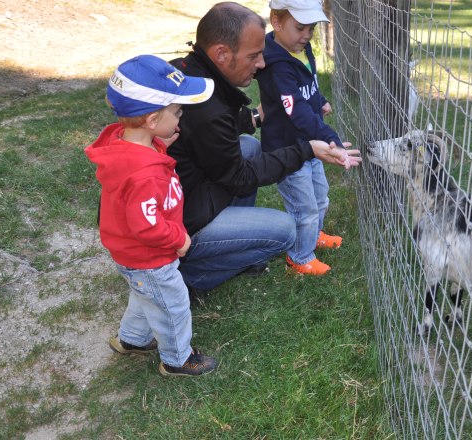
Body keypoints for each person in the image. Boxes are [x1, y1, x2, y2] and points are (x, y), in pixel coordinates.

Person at [168, 3, 361, 299]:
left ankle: (236, 241)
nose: (261, 65)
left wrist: (254, 118)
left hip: (188, 187)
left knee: (248, 145)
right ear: (221, 54)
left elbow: (220, 127)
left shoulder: (196, 74)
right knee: (284, 230)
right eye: (253, 56)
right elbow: (240, 176)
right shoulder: (207, 107)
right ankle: (187, 276)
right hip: (179, 219)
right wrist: (306, 149)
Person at [85, 55, 217, 377]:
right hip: (150, 255)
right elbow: (147, 225)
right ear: (152, 120)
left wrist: (158, 144)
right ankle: (177, 359)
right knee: (172, 305)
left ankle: (131, 340)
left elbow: (138, 162)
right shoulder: (145, 174)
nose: (181, 118)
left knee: (147, 296)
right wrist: (180, 239)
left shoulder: (129, 146)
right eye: (177, 112)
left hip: (134, 257)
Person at [257, 0, 344, 276]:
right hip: (288, 150)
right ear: (277, 21)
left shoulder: (300, 48)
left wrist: (320, 99)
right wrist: (329, 135)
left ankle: (313, 235)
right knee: (303, 206)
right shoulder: (276, 65)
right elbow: (295, 109)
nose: (306, 35)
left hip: (309, 145)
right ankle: (299, 256)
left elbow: (308, 84)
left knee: (320, 197)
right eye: (300, 27)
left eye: (311, 27)